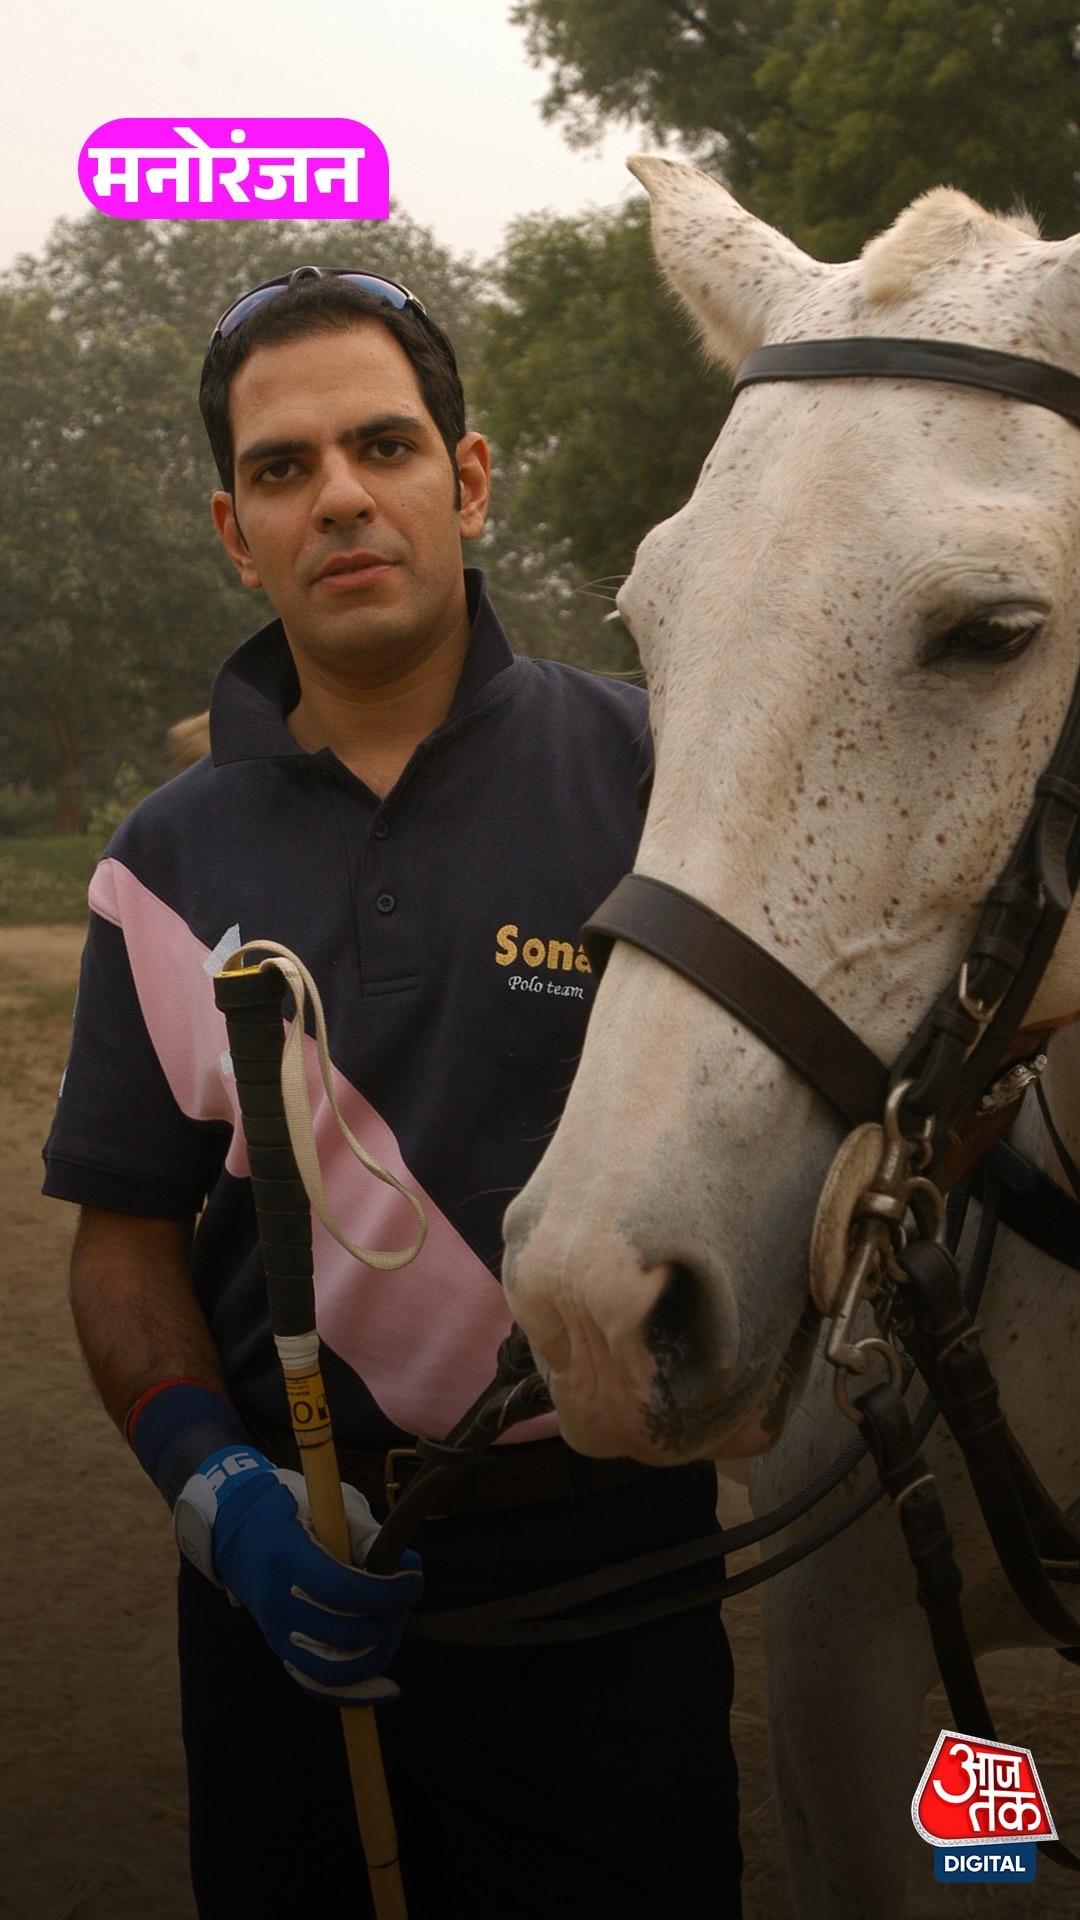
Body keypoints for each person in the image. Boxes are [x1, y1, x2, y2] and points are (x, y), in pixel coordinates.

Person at [43, 267, 742, 1919]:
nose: (339, 496)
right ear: (236, 529)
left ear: (467, 478)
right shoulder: (157, 863)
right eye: (284, 469)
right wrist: (219, 1496)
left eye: (382, 445)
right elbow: (124, 1243)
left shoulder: (660, 774)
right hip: (289, 1596)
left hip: (616, 1583)